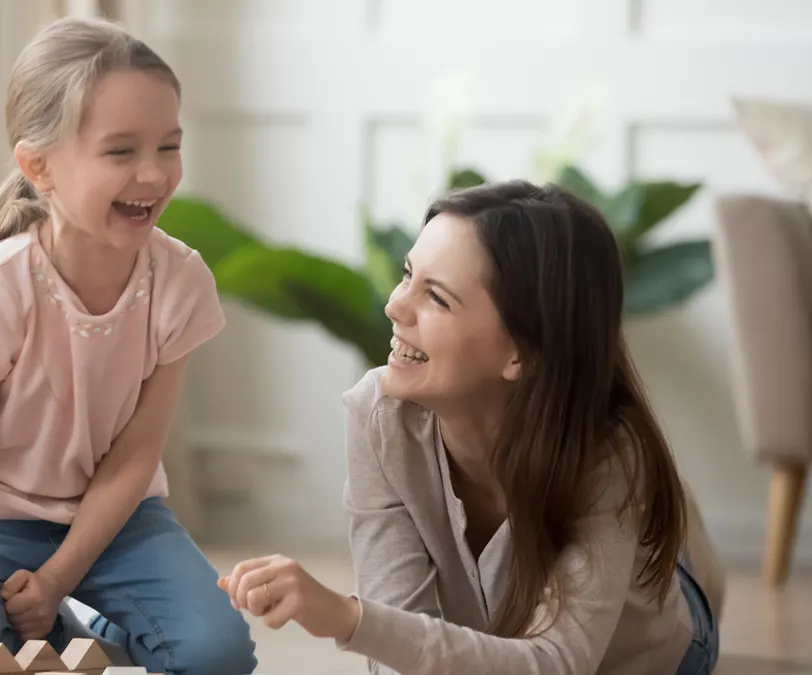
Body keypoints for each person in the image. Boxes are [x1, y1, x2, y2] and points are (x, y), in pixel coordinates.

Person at [0, 16, 257, 675]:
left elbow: (135, 454)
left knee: (218, 654)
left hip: (120, 520)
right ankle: (58, 635)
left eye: (169, 146)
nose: (153, 174)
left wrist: (57, 576)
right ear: (39, 166)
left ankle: (85, 625)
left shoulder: (180, 281)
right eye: (121, 151)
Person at [219, 180, 726, 675]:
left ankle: (677, 538)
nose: (395, 305)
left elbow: (555, 663)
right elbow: (395, 646)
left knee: (652, 551)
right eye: (406, 274)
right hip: (490, 648)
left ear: (521, 352)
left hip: (643, 655)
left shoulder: (607, 453)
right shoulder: (378, 416)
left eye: (436, 298)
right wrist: (364, 624)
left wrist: (346, 615)